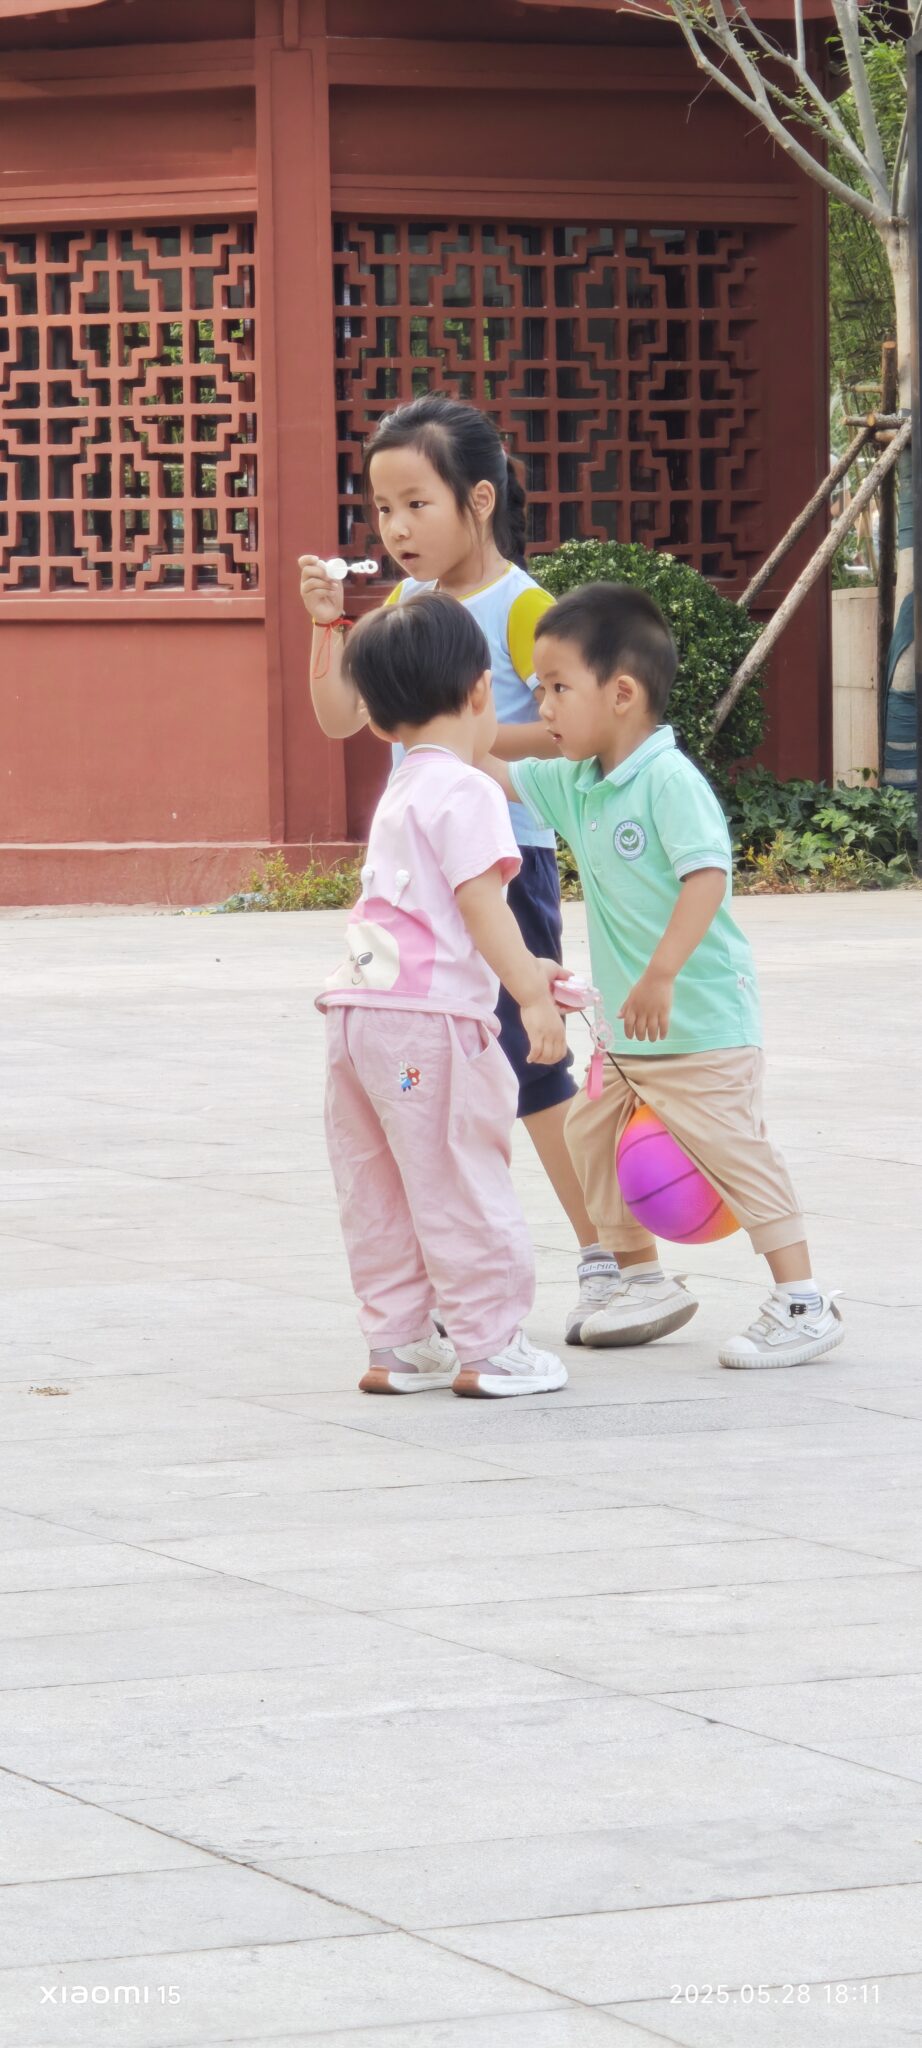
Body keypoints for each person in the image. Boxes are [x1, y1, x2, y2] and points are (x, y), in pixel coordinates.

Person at [485, 582, 845, 1371]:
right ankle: (641, 1279)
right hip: (628, 1035)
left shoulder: (668, 780)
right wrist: (433, 724)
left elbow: (707, 877)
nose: (541, 706)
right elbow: (494, 767)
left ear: (621, 694)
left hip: (700, 1021)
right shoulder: (577, 781)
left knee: (732, 1151)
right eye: (538, 689)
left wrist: (661, 973)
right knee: (588, 1133)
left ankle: (803, 1301)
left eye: (557, 688)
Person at [299, 394, 599, 1339]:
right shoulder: (403, 607)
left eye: (415, 504)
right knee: (435, 1079)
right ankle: (444, 1293)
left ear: (479, 499)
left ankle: (614, 1262)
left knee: (535, 1071)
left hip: (505, 866)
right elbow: (340, 717)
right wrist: (326, 626)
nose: (395, 529)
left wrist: (458, 738)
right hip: (419, 888)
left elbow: (571, 729)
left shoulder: (523, 606)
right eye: (382, 509)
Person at [317, 588, 570, 1399]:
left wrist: (531, 973)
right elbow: (481, 904)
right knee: (460, 1176)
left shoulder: (400, 790)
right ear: (481, 690)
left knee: (378, 1185)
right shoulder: (468, 789)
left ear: (378, 721)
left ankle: (398, 1344)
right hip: (428, 1034)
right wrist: (530, 992)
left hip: (358, 1020)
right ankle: (490, 1347)